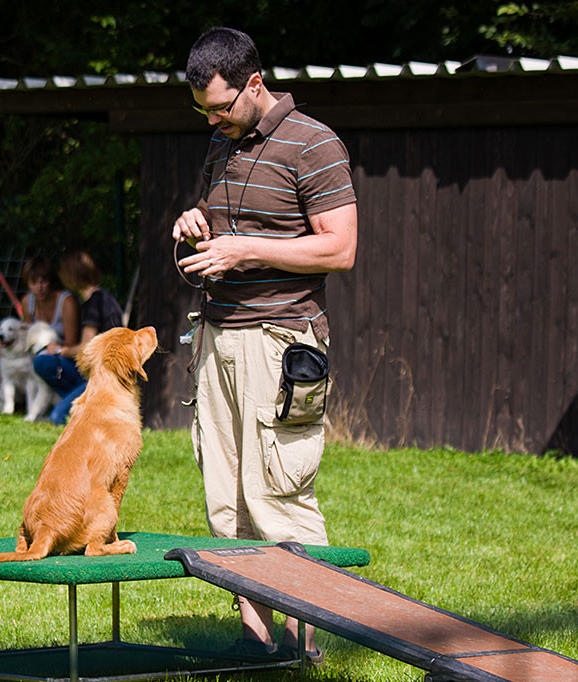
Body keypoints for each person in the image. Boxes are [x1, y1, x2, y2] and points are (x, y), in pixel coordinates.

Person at [171, 27, 358, 662]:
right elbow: (222, 231)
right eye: (203, 112)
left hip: (281, 343)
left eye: (221, 107)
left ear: (254, 83)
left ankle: (308, 651)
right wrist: (194, 224)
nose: (213, 120)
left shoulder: (314, 144)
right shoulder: (219, 145)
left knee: (277, 494)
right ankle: (257, 649)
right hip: (217, 337)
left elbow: (340, 247)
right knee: (225, 503)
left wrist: (245, 249)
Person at [0, 257, 80, 410]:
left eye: (43, 282)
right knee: (0, 342)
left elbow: (71, 343)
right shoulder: (28, 301)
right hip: (36, 351)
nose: (39, 288)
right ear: (28, 284)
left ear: (51, 281)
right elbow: (27, 335)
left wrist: (50, 347)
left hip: (59, 354)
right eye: (34, 283)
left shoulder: (66, 301)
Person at [34, 250, 123, 425]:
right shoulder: (104, 297)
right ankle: (83, 405)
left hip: (103, 378)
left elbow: (85, 348)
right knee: (42, 363)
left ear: (72, 275)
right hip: (95, 373)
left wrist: (59, 350)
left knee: (57, 417)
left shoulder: (93, 303)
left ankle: (80, 408)